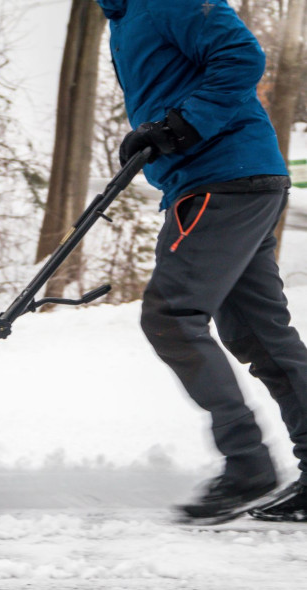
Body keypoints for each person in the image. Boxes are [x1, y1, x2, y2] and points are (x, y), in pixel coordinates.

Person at [98, 0, 307, 523]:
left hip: (222, 178)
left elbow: (242, 56)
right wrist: (160, 133)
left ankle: (247, 466)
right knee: (259, 335)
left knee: (170, 315)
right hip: (231, 178)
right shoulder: (123, 17)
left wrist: (180, 127)